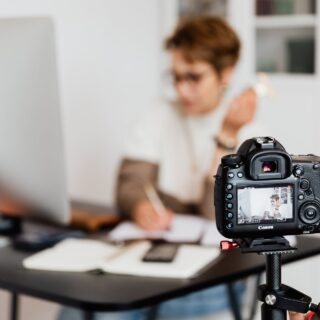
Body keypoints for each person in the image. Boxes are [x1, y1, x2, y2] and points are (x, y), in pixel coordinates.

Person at [58, 15, 265, 320]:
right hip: (150, 264)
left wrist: (227, 137)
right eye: (176, 77)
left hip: (215, 275)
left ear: (226, 73)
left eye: (193, 77)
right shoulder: (159, 113)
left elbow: (217, 216)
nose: (182, 89)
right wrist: (141, 206)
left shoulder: (252, 136)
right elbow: (129, 184)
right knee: (82, 310)